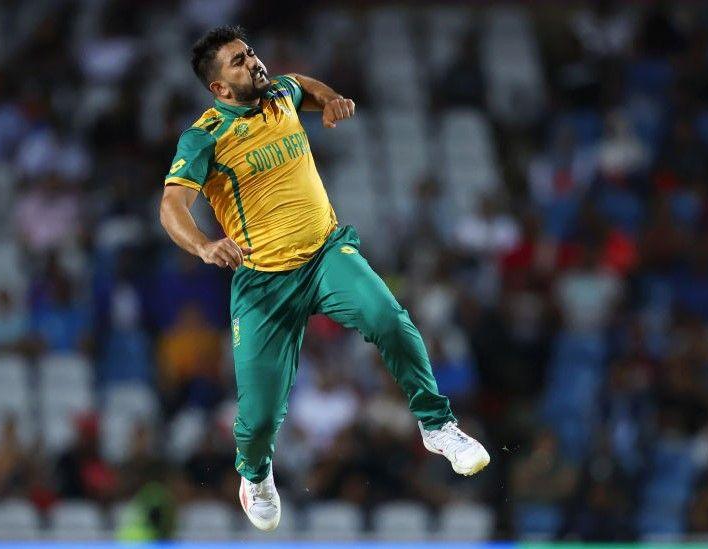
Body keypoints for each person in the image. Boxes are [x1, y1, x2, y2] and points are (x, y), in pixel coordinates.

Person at [158, 26, 490, 532]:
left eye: (250, 52)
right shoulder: (204, 136)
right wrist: (203, 244)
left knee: (389, 318)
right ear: (220, 89)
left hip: (325, 253)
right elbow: (171, 206)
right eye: (238, 62)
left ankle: (437, 425)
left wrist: (332, 99)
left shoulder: (279, 94)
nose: (253, 63)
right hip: (264, 281)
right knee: (260, 417)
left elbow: (302, 85)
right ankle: (255, 473)